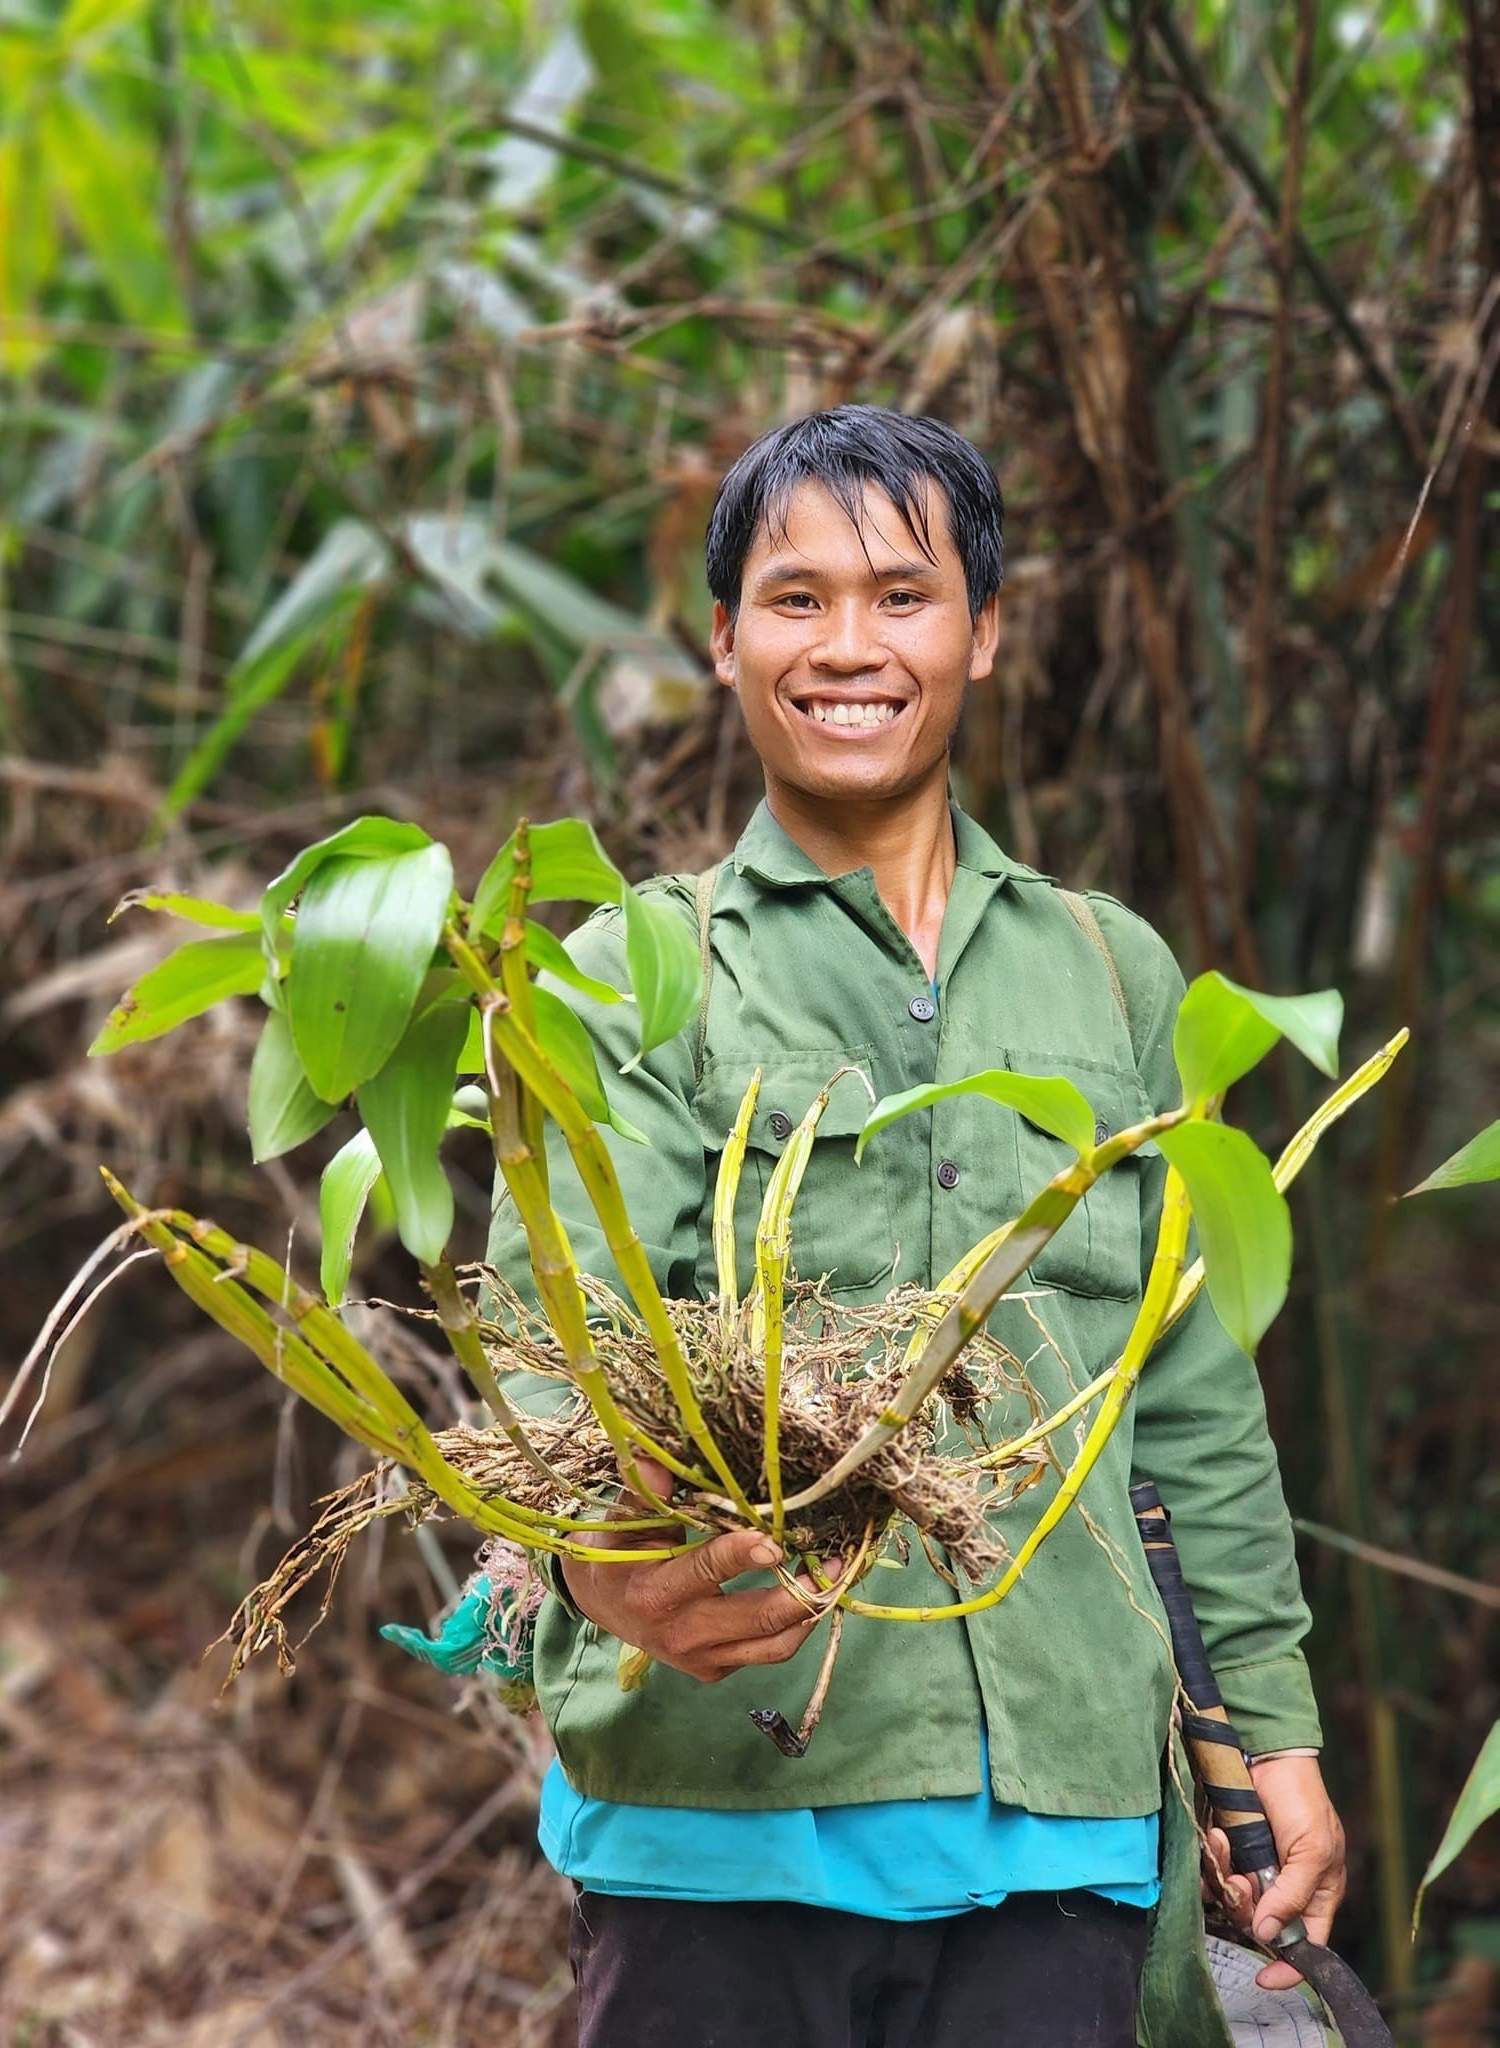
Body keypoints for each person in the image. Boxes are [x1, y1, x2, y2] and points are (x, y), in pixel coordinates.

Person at [482, 405, 1346, 2047]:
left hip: (1067, 1843)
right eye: (796, 601)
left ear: (987, 632)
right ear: (724, 642)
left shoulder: (1114, 974)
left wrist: (1278, 1745)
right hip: (717, 1834)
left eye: (902, 593)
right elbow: (554, 1359)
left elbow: (1193, 1403)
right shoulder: (629, 975)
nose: (850, 645)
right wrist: (598, 1573)